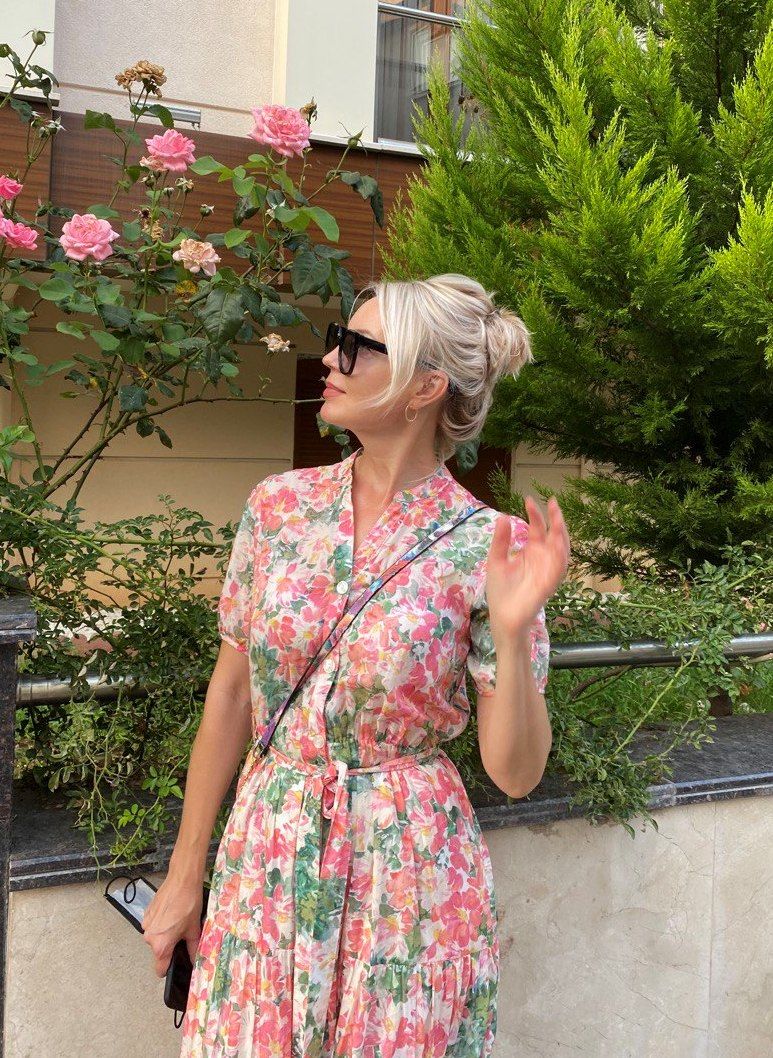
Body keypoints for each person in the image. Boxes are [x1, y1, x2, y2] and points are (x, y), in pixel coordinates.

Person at [141, 273, 570, 1057]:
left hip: (407, 873)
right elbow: (231, 694)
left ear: (425, 387)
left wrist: (512, 634)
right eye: (337, 339)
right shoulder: (279, 508)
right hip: (268, 851)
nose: (329, 359)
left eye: (357, 346)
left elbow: (514, 774)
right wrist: (183, 871)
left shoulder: (488, 547)